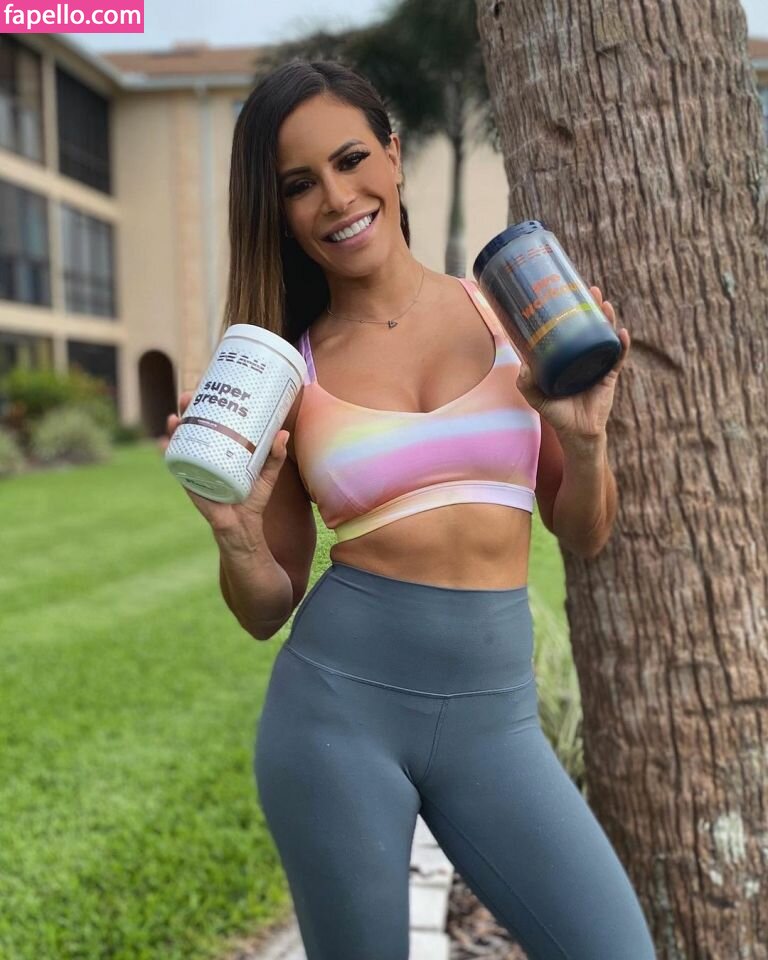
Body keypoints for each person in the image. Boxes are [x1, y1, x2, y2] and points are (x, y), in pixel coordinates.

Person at [162, 59, 656, 960]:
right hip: (335, 721)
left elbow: (583, 532)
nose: (336, 197)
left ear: (392, 155)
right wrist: (235, 537)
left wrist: (585, 441)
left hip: (495, 725)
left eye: (351, 159)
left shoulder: (512, 311)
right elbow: (266, 609)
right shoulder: (288, 370)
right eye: (299, 185)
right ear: (278, 212)